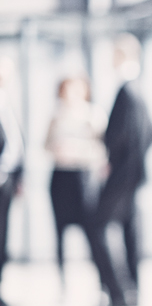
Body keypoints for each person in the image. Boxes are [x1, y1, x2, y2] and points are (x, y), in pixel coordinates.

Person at [89, 33, 152, 306]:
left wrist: (101, 139)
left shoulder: (126, 91)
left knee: (97, 225)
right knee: (129, 228)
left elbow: (118, 136)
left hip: (121, 174)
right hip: (134, 173)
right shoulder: (139, 89)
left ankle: (118, 291)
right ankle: (132, 290)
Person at [45, 76, 108, 285]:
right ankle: (62, 283)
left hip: (83, 178)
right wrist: (58, 149)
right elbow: (45, 144)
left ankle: (102, 282)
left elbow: (103, 149)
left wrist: (77, 150)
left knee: (92, 231)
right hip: (60, 177)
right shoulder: (56, 115)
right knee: (60, 232)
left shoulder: (93, 114)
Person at [0, 56, 24, 306]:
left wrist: (19, 178)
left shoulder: (6, 102)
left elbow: (16, 144)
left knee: (2, 238)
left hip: (6, 182)